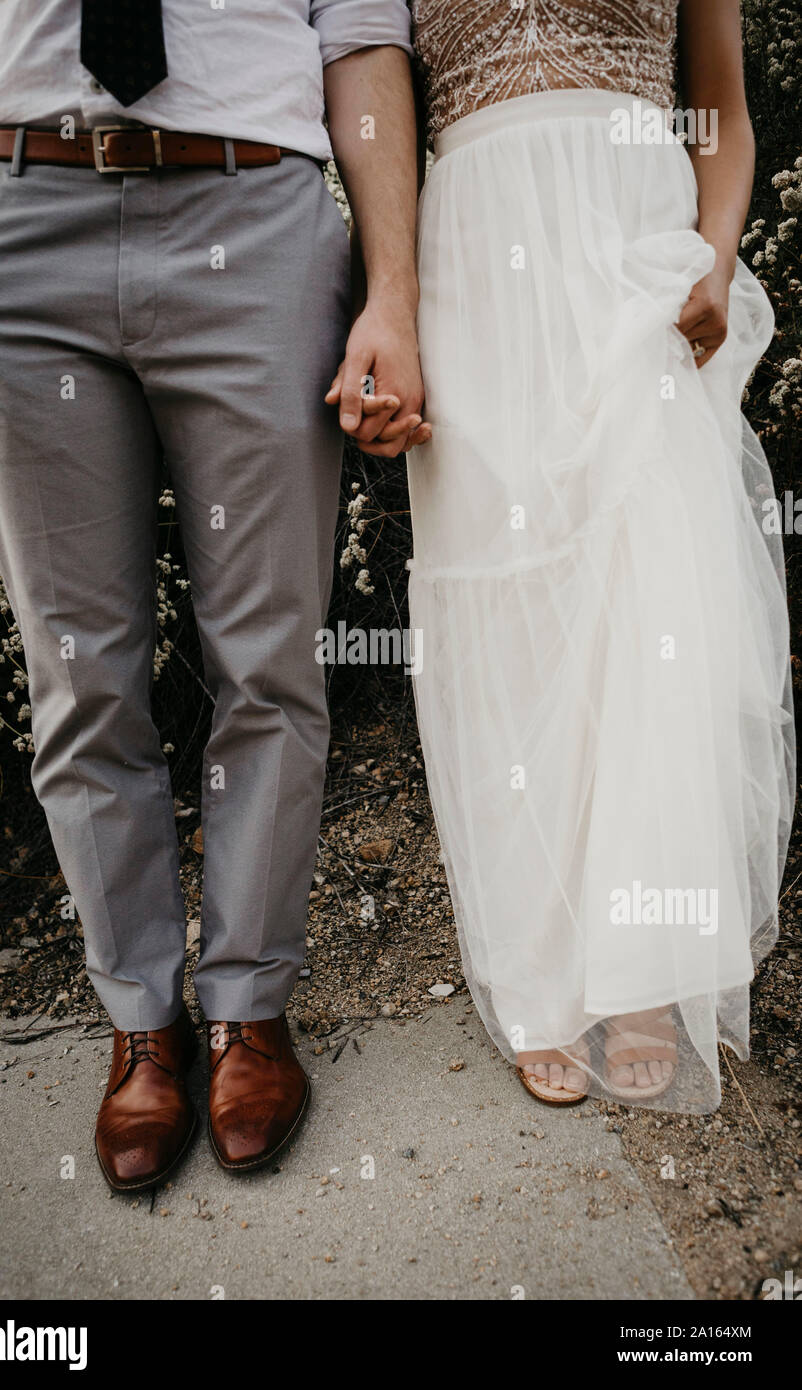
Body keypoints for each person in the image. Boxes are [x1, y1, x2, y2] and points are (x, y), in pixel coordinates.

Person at [0, 0, 429, 1188]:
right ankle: (140, 1022)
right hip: (17, 217)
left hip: (250, 214)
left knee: (266, 655)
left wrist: (393, 295)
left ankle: (247, 1009)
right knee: (75, 667)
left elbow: (360, 41)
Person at [405, 0, 795, 1111]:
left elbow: (716, 101)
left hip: (634, 237)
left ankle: (636, 966)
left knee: (648, 578)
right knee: (508, 596)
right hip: (474, 245)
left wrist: (716, 255)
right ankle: (538, 955)